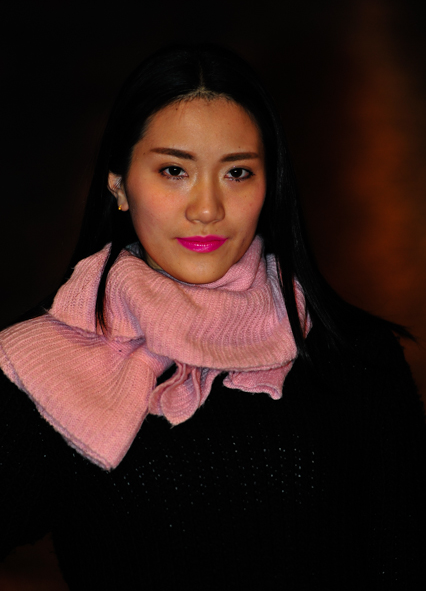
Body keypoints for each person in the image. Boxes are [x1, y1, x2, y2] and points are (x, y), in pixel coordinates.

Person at [0, 43, 425, 590]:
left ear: (270, 185)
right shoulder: (44, 372)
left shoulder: (355, 358)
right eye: (174, 170)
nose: (207, 208)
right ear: (119, 186)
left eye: (237, 173)